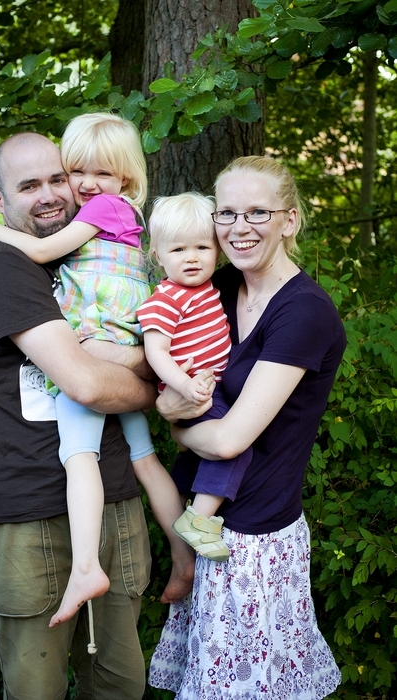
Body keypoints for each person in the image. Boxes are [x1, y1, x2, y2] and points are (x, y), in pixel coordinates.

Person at [0, 131, 200, 700]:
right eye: (28, 185)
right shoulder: (3, 268)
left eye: (57, 178)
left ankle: (181, 552)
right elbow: (88, 384)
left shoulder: (101, 250)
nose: (49, 194)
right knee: (37, 689)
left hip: (114, 504)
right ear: (1, 202)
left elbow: (146, 344)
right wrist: (154, 386)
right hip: (26, 515)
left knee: (120, 685)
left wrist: (140, 363)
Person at [149, 156, 345, 698]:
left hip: (254, 538)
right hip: (208, 524)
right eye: (227, 213)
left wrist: (174, 424)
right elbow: (168, 365)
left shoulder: (303, 312)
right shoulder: (217, 288)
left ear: (290, 219)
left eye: (258, 212)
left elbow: (232, 437)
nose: (239, 227)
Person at [136, 192, 253, 562]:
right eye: (178, 250)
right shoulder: (165, 299)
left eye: (202, 247)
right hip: (193, 389)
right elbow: (156, 352)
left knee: (201, 455)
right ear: (157, 255)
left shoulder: (209, 289)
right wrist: (183, 385)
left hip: (209, 386)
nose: (191, 258)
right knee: (234, 446)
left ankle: (183, 490)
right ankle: (198, 520)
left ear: (217, 250)